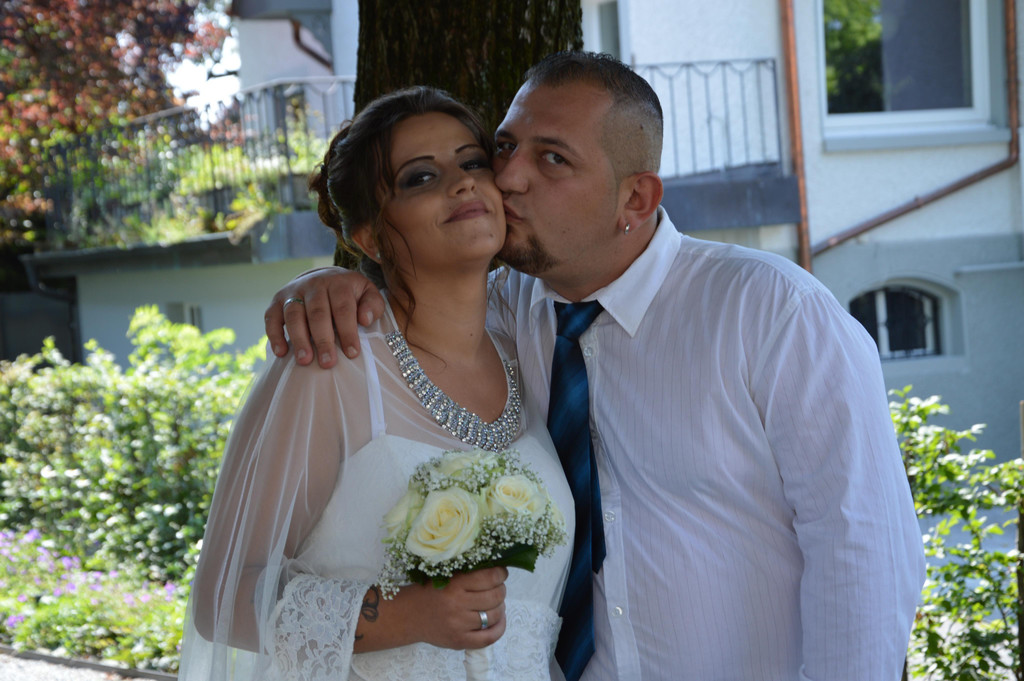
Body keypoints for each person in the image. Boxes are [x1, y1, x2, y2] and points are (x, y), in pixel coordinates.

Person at [264, 52, 926, 681]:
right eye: (505, 147)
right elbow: (415, 297)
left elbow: (861, 548)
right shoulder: (499, 315)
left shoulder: (771, 312)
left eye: (552, 159)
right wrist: (330, 283)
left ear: (635, 199)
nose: (508, 178)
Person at [178, 86, 575, 681]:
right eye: (420, 178)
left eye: (472, 163)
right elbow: (221, 596)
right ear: (367, 237)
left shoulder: (528, 337)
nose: (462, 184)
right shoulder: (331, 365)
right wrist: (403, 615)